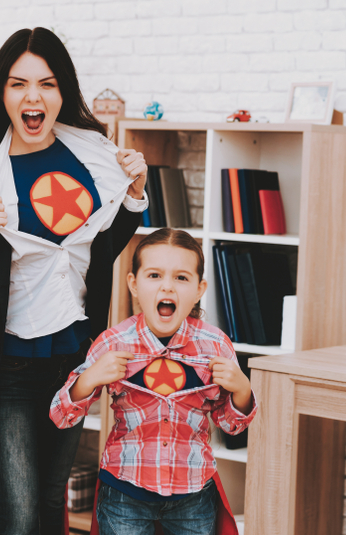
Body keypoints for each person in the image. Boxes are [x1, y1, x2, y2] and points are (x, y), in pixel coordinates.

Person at [0, 27, 148, 535]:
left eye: (47, 85)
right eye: (18, 84)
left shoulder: (92, 156)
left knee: (53, 504)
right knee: (19, 511)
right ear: (1, 94)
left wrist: (134, 194)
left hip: (71, 361)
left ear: (62, 93)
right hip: (6, 364)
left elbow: (96, 254)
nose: (33, 97)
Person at [50, 228, 257, 535]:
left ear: (200, 288)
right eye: (155, 275)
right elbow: (60, 415)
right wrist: (88, 379)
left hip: (193, 493)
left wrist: (242, 389)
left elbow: (230, 424)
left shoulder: (216, 345)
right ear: (134, 283)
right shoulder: (113, 342)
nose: (167, 288)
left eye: (181, 278)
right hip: (124, 490)